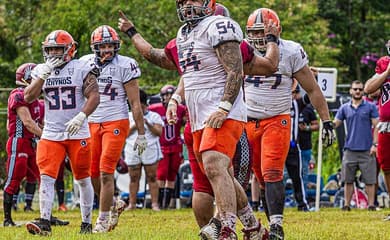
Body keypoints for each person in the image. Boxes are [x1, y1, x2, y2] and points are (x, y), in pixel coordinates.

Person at [118, 3, 279, 239]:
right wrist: (133, 32)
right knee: (222, 174)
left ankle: (225, 227)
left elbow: (249, 69)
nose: (188, 5)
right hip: (197, 118)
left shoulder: (220, 26)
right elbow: (158, 57)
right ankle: (253, 228)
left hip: (223, 112)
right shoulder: (184, 35)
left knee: (214, 165)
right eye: (183, 1)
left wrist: (224, 107)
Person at [243, 8, 336, 239]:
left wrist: (326, 121)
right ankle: (266, 222)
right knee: (260, 177)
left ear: (277, 30)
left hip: (277, 118)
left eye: (262, 32)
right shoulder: (240, 48)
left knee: (273, 171)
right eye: (254, 32)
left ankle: (277, 226)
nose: (258, 38)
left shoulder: (291, 51)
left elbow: (313, 89)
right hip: (246, 121)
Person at [24, 29, 100, 236]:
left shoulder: (82, 67)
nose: (54, 54)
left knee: (83, 178)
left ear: (70, 49)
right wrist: (42, 75)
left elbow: (94, 95)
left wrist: (82, 115)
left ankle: (86, 223)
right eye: (50, 50)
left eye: (58, 49)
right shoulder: (41, 69)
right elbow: (28, 96)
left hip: (78, 131)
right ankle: (45, 221)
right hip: (51, 132)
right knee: (46, 176)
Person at [79, 25, 147, 233]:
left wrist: (142, 133)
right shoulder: (83, 63)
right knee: (91, 174)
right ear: (94, 47)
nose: (107, 50)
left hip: (116, 121)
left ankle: (102, 218)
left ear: (117, 46)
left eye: (110, 45)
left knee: (105, 171)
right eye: (102, 46)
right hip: (91, 122)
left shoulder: (125, 65)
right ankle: (113, 202)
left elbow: (135, 103)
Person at [3, 63, 42, 227]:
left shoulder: (35, 100)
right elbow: (28, 123)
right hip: (19, 142)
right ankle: (7, 219)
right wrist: (49, 136)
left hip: (31, 142)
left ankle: (44, 215)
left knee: (41, 176)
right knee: (14, 178)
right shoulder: (18, 95)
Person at [333, 80, 379, 211]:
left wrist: (375, 144)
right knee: (347, 180)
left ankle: (371, 205)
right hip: (350, 149)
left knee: (370, 180)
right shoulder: (344, 108)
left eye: (360, 89)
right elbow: (336, 122)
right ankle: (346, 205)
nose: (358, 91)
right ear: (350, 91)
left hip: (367, 148)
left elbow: (377, 126)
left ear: (363, 90)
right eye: (355, 89)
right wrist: (327, 123)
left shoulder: (370, 107)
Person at [124, 89, 164, 211]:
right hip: (132, 148)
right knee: (134, 177)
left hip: (150, 148)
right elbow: (124, 134)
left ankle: (154, 204)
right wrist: (136, 125)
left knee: (152, 177)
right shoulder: (128, 117)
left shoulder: (154, 116)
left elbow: (159, 133)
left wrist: (147, 123)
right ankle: (132, 204)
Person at [148, 85, 187, 209]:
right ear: (161, 96)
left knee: (172, 174)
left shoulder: (181, 109)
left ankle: (166, 204)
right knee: (161, 174)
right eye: (166, 95)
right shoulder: (155, 109)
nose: (169, 97)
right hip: (162, 146)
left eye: (171, 94)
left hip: (176, 145)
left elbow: (187, 120)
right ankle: (158, 203)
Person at [284, 84, 312, 211]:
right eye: (290, 92)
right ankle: (271, 204)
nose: (292, 94)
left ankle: (302, 203)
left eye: (294, 92)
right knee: (274, 176)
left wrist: (314, 79)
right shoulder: (274, 103)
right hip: (276, 146)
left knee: (297, 177)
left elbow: (310, 95)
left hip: (293, 146)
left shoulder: (297, 104)